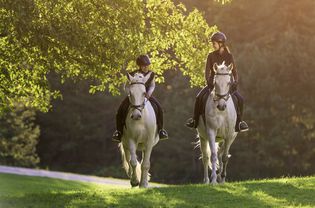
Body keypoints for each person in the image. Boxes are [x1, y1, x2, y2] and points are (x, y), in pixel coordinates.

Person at [185, 31, 249, 132]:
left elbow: (235, 72)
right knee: (199, 97)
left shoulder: (229, 56)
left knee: (240, 99)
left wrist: (235, 82)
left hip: (227, 86)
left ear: (221, 44)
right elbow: (207, 72)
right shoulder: (210, 56)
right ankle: (195, 121)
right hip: (213, 85)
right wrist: (209, 82)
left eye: (214, 43)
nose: (213, 45)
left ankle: (239, 123)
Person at [112, 55, 168, 142]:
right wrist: (130, 94)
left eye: (147, 65)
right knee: (120, 110)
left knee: (159, 108)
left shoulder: (151, 74)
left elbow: (152, 85)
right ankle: (118, 132)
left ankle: (161, 130)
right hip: (134, 96)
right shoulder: (132, 74)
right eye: (144, 65)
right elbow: (126, 86)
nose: (146, 67)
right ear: (140, 66)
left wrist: (149, 93)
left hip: (146, 95)